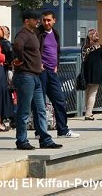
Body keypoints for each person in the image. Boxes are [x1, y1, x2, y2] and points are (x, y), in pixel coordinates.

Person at [13, 10, 62, 150]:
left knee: (40, 109)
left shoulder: (33, 34)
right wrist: (21, 60)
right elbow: (17, 46)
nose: (38, 22)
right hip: (26, 76)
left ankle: (45, 139)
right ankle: (21, 141)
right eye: (34, 19)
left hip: (35, 76)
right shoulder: (23, 34)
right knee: (24, 110)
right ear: (26, 21)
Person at [35, 10, 80, 138]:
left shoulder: (55, 33)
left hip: (52, 72)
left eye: (49, 20)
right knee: (40, 103)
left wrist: (56, 65)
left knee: (59, 100)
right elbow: (34, 50)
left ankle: (63, 130)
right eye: (44, 20)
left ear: (54, 20)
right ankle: (40, 131)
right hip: (41, 72)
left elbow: (57, 51)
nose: (46, 22)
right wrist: (39, 64)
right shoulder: (38, 33)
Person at [82, 28, 102, 120]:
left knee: (87, 93)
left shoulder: (85, 48)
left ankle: (87, 111)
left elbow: (83, 60)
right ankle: (88, 113)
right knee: (93, 93)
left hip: (86, 72)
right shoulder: (100, 47)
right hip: (97, 72)